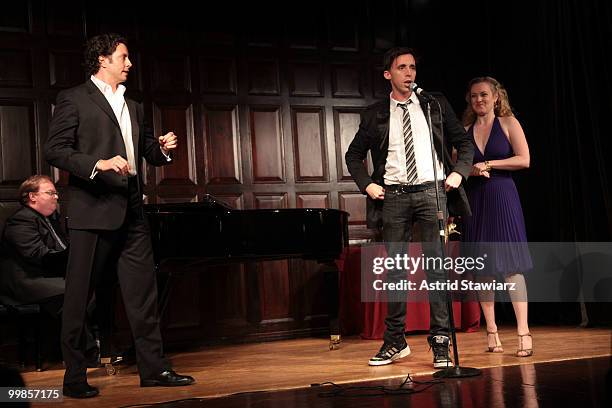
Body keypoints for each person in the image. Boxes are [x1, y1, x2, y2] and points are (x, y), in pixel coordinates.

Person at [45, 33, 194, 398]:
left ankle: (154, 369)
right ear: (103, 60)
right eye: (123, 57)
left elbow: (145, 152)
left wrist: (160, 149)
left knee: (143, 293)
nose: (130, 64)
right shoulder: (74, 99)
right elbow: (55, 150)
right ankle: (75, 377)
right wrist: (97, 163)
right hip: (91, 210)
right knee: (79, 298)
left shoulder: (135, 105)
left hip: (131, 209)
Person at [345, 47, 474, 368]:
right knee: (396, 270)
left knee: (436, 269)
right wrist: (368, 184)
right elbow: (353, 156)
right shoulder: (375, 113)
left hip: (432, 192)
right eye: (401, 68)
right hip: (394, 197)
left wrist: (459, 172)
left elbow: (464, 143)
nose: (409, 73)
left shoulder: (434, 105)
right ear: (388, 74)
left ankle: (441, 342)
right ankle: (395, 341)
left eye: (413, 67)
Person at [461, 76, 533, 357]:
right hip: (476, 199)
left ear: (496, 97)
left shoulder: (508, 123)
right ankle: (491, 332)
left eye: (483, 95)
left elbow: (524, 159)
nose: (478, 100)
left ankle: (523, 332)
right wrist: (471, 170)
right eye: (474, 96)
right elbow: (458, 164)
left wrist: (489, 163)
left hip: (503, 197)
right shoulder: (465, 130)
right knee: (483, 269)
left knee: (511, 266)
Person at [0, 175, 66, 314]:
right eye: (50, 193)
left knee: (91, 286)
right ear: (32, 196)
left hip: (47, 275)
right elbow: (38, 255)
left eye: (56, 193)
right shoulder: (21, 220)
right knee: (76, 290)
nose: (56, 197)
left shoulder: (51, 219)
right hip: (27, 280)